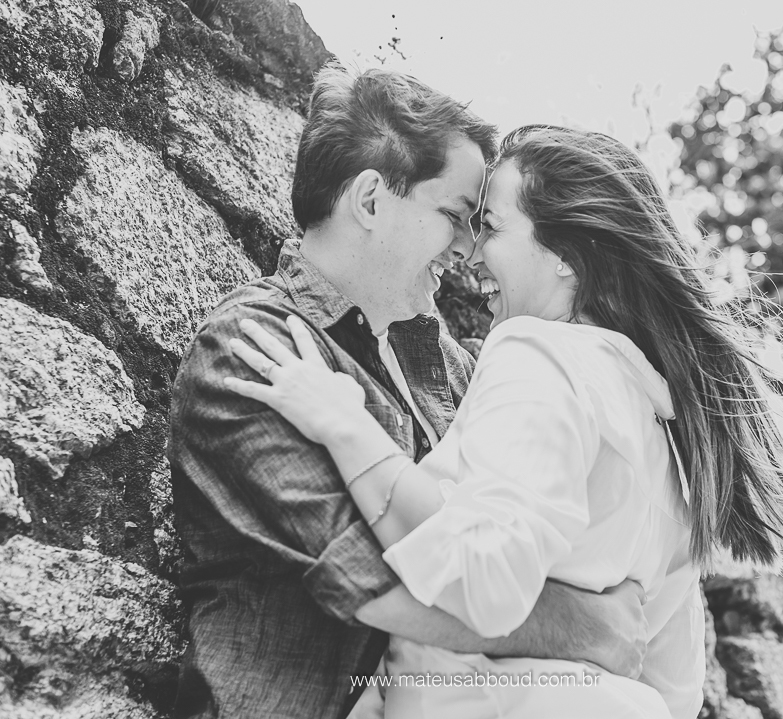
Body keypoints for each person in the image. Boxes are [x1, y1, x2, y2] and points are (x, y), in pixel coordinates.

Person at [225, 125, 783, 718]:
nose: (471, 252)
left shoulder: (536, 354)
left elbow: (477, 578)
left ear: (567, 256)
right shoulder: (677, 448)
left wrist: (347, 429)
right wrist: (592, 633)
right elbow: (674, 690)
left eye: (491, 225)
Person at [168, 70, 651, 719]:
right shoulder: (253, 349)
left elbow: (508, 542)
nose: (465, 247)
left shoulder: (450, 361)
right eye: (454, 216)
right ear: (370, 201)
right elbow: (382, 584)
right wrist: (587, 625)